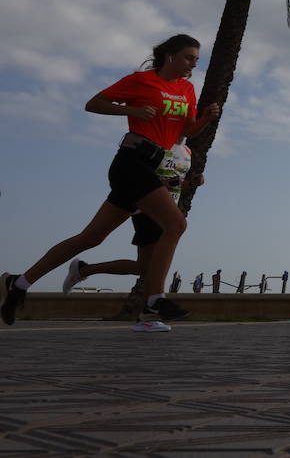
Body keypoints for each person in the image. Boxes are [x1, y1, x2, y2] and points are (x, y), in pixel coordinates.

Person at [1, 35, 220, 330]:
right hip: (131, 163)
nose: (194, 63)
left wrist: (206, 118)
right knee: (176, 225)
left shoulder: (187, 89)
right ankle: (156, 300)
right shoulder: (141, 81)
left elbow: (187, 129)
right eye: (188, 57)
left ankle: (19, 283)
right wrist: (130, 110)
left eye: (196, 58)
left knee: (91, 238)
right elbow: (94, 103)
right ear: (170, 56)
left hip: (152, 167)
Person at [61, 142, 202, 331]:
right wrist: (168, 185)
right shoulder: (159, 145)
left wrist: (191, 183)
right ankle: (148, 316)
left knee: (144, 266)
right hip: (147, 210)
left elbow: (177, 184)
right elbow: (141, 180)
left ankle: (84, 270)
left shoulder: (186, 151)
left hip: (167, 210)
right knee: (150, 266)